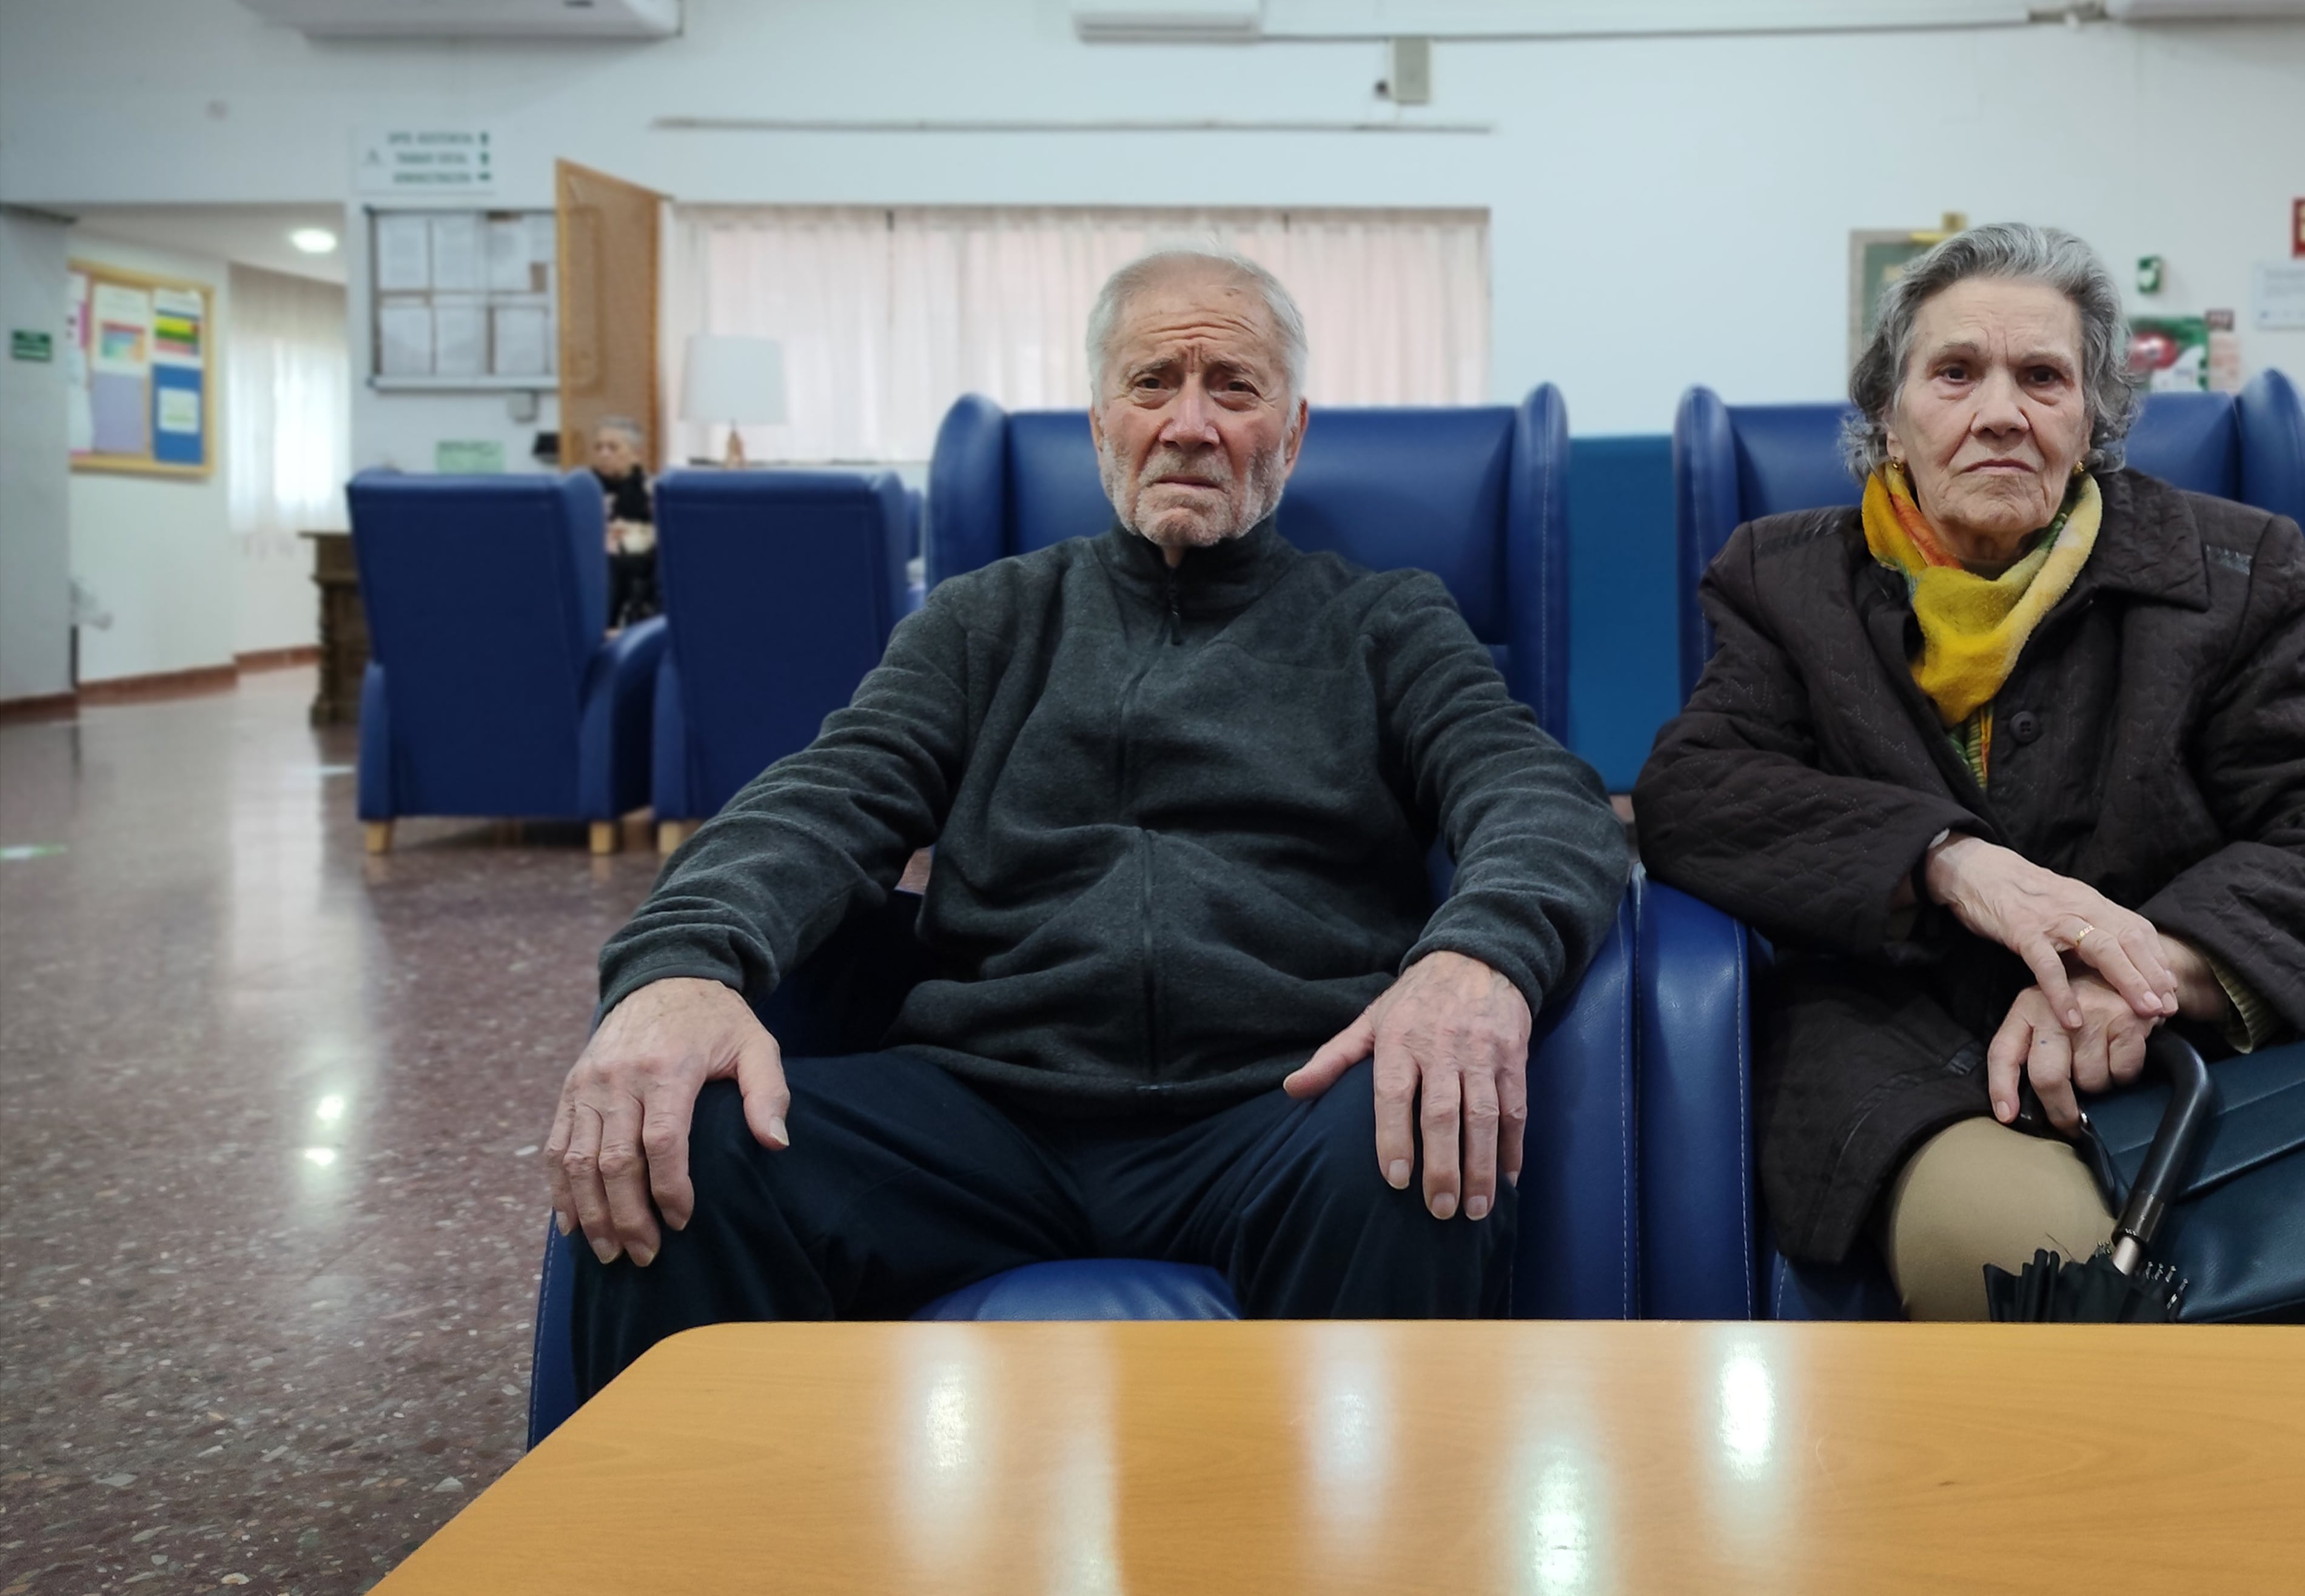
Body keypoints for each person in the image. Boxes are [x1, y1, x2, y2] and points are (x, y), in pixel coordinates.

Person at [546, 250, 1625, 1392]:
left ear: (1294, 431)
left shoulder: (1387, 621)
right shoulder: (986, 621)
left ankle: (1361, 1565)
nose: (1192, 424)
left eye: (1237, 389)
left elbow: (1539, 794)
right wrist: (680, 964)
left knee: (1417, 1146)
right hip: (983, 1107)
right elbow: (826, 798)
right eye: (1154, 381)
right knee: (692, 1148)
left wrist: (1477, 956)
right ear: (1101, 420)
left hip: (1283, 1101)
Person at [1634, 222, 2305, 1323]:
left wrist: (2148, 963)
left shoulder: (2233, 572)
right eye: (1956, 373)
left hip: (2235, 1060)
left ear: (2093, 417)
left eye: (2042, 377)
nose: (2000, 413)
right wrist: (1950, 861)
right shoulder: (1784, 583)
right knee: (2057, 1281)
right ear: (1890, 414)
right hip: (1929, 1062)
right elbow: (1698, 792)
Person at [585, 416, 658, 627]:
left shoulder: (651, 490)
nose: (604, 454)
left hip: (636, 559)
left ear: (637, 454)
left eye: (613, 448)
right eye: (599, 448)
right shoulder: (584, 489)